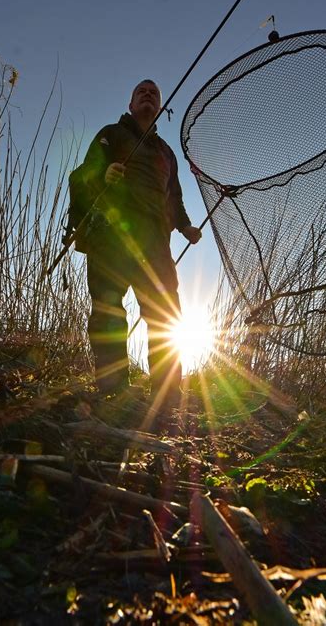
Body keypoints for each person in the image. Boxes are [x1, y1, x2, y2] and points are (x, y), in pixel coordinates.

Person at [72, 80, 201, 409]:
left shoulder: (166, 153)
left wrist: (185, 226)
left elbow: (174, 196)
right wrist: (104, 175)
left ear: (159, 106)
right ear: (130, 104)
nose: (148, 94)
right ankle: (113, 388)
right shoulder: (111, 134)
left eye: (154, 92)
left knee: (165, 316)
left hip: (155, 244)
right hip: (110, 234)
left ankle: (168, 394)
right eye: (141, 91)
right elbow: (85, 172)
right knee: (109, 308)